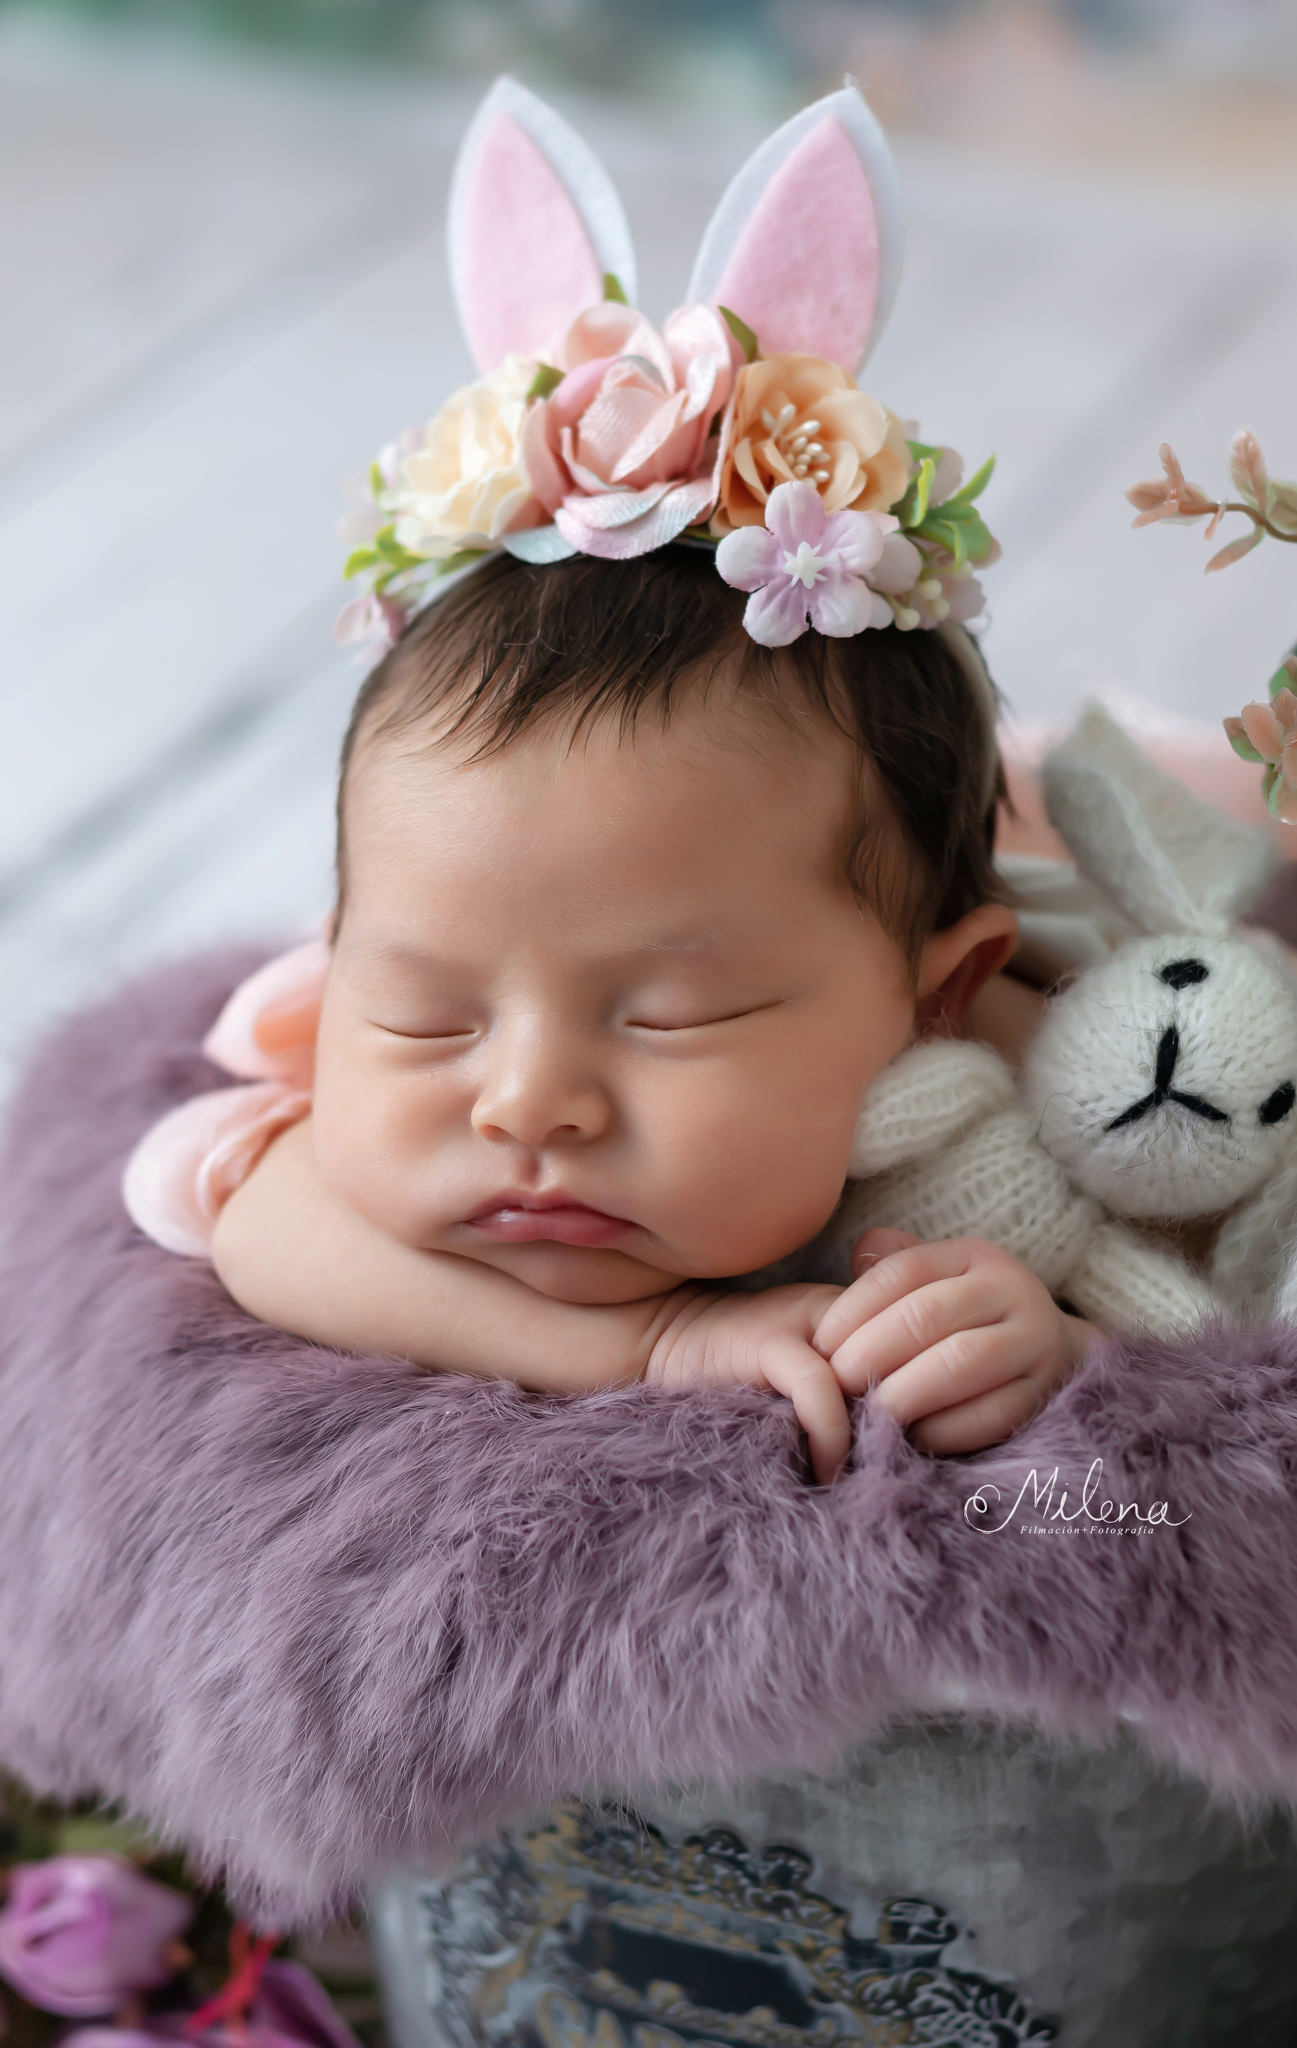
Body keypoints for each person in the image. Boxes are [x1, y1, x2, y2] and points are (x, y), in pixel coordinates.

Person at [121, 80, 1099, 1485]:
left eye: (668, 1016)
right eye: (421, 1014)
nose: (526, 1103)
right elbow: (257, 1219)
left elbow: (1184, 1271)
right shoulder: (339, 1144)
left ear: (933, 996)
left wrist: (1034, 1342)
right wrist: (644, 1350)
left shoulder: (1002, 1099)